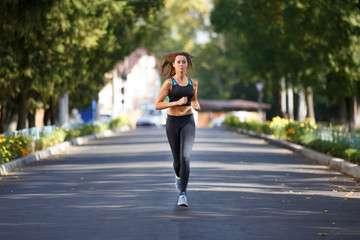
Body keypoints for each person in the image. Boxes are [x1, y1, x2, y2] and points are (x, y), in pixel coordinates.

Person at [155, 52, 201, 207]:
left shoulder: (193, 83)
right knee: (177, 161)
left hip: (188, 120)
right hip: (173, 122)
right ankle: (178, 176)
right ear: (174, 65)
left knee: (185, 157)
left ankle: (183, 194)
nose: (181, 64)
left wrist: (196, 104)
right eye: (178, 62)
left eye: (184, 62)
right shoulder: (169, 83)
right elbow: (158, 104)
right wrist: (176, 103)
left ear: (187, 64)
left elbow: (194, 99)